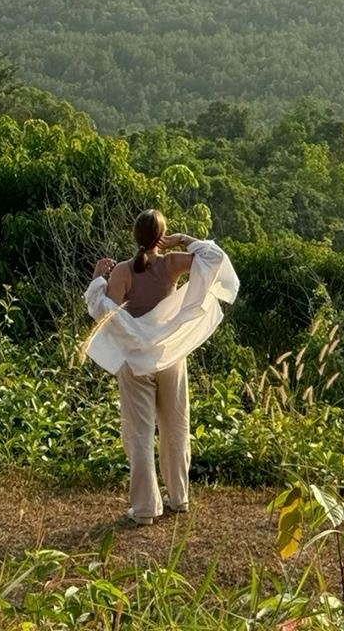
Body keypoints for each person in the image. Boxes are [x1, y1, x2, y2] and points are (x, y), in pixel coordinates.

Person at [84, 208, 239, 526]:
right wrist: (184, 240)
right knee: (175, 426)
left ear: (135, 237)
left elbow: (104, 313)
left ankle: (144, 509)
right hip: (169, 356)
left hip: (135, 361)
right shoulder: (172, 263)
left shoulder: (123, 272)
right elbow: (214, 258)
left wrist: (98, 276)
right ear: (161, 237)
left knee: (139, 434)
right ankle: (178, 498)